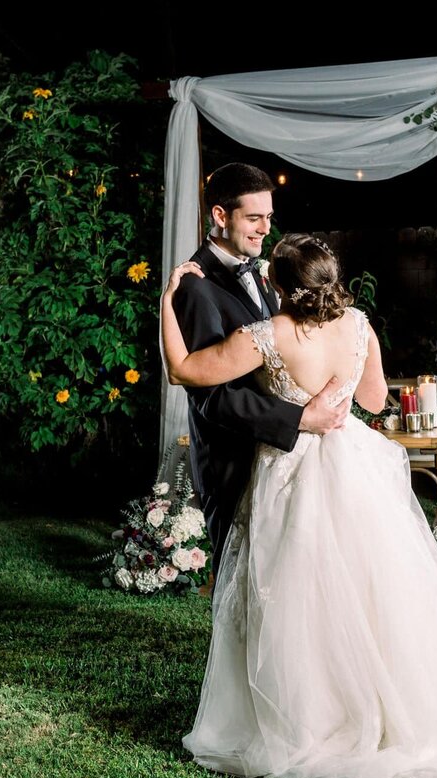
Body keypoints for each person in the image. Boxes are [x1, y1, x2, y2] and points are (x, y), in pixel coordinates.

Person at [162, 233, 437, 778]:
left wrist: (167, 302)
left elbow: (185, 371)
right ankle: (385, 706)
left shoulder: (269, 334)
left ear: (276, 285)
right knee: (372, 589)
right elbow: (375, 399)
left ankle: (310, 717)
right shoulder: (359, 323)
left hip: (291, 472)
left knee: (297, 595)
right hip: (355, 465)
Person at [170, 163, 350, 565]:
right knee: (238, 581)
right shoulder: (196, 287)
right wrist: (300, 418)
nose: (265, 228)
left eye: (268, 217)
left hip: (277, 459)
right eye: (253, 218)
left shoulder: (266, 275)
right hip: (231, 462)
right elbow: (209, 396)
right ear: (220, 216)